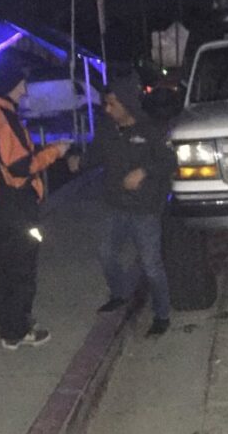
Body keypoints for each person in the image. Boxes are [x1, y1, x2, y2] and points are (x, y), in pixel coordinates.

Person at [0, 55, 70, 350]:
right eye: (22, 82)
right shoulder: (2, 117)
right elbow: (20, 166)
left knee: (2, 266)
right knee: (20, 268)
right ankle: (17, 329)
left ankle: (1, 323)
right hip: (13, 205)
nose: (25, 88)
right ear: (11, 84)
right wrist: (55, 152)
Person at [68, 75, 177, 337]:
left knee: (151, 266)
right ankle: (120, 294)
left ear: (126, 103)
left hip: (145, 209)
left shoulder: (151, 129)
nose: (107, 109)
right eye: (106, 104)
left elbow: (169, 162)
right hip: (115, 205)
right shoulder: (107, 130)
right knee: (106, 253)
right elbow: (95, 156)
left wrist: (143, 171)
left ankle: (162, 314)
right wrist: (78, 162)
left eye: (112, 103)